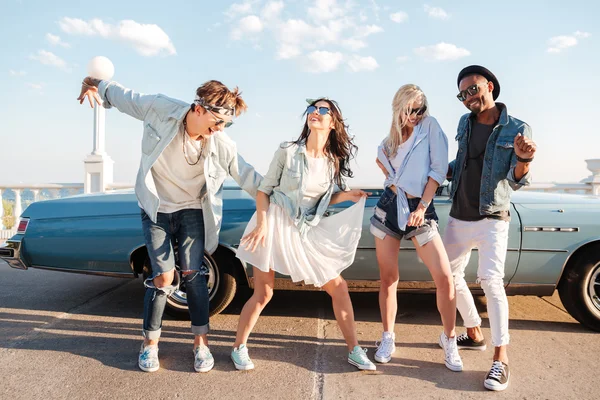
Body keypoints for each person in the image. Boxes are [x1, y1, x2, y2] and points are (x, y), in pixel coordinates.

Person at [77, 77, 262, 373]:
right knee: (163, 279)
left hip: (192, 211)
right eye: (217, 123)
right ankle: (149, 345)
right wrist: (92, 83)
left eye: (226, 125)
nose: (219, 130)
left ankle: (201, 344)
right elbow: (125, 95)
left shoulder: (220, 142)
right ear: (199, 109)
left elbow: (249, 177)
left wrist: (284, 203)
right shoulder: (160, 109)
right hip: (156, 208)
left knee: (193, 275)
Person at [230, 98, 376, 371]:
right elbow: (264, 191)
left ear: (333, 123)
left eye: (323, 111)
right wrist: (262, 225)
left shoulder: (333, 160)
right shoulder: (287, 151)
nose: (315, 113)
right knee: (263, 293)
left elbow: (324, 199)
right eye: (312, 109)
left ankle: (354, 350)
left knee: (339, 286)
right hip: (273, 222)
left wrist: (347, 195)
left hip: (305, 228)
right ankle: (239, 347)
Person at [444, 65, 537, 391]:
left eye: (473, 89)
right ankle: (473, 329)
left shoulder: (516, 127)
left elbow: (515, 179)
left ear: (490, 86)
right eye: (462, 94)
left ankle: (501, 359)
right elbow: (463, 161)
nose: (469, 97)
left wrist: (523, 160)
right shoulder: (463, 123)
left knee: (490, 282)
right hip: (458, 215)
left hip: (491, 216)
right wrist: (439, 169)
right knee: (448, 277)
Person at [370, 84, 462, 371]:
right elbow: (384, 166)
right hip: (389, 207)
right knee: (388, 278)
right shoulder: (389, 142)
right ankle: (388, 337)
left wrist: (422, 207)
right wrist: (391, 179)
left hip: (420, 209)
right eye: (410, 109)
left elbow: (437, 171)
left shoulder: (430, 127)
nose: (415, 115)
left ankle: (449, 339)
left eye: (420, 109)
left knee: (444, 277)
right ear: (399, 107)